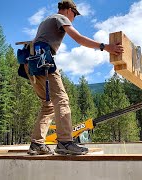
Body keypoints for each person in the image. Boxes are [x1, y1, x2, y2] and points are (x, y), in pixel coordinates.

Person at [26, 0, 124, 155]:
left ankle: (37, 144)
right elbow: (79, 39)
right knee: (62, 99)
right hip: (43, 62)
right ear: (68, 10)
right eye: (75, 14)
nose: (74, 18)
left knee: (48, 105)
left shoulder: (46, 20)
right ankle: (65, 142)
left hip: (31, 64)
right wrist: (105, 47)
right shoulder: (60, 18)